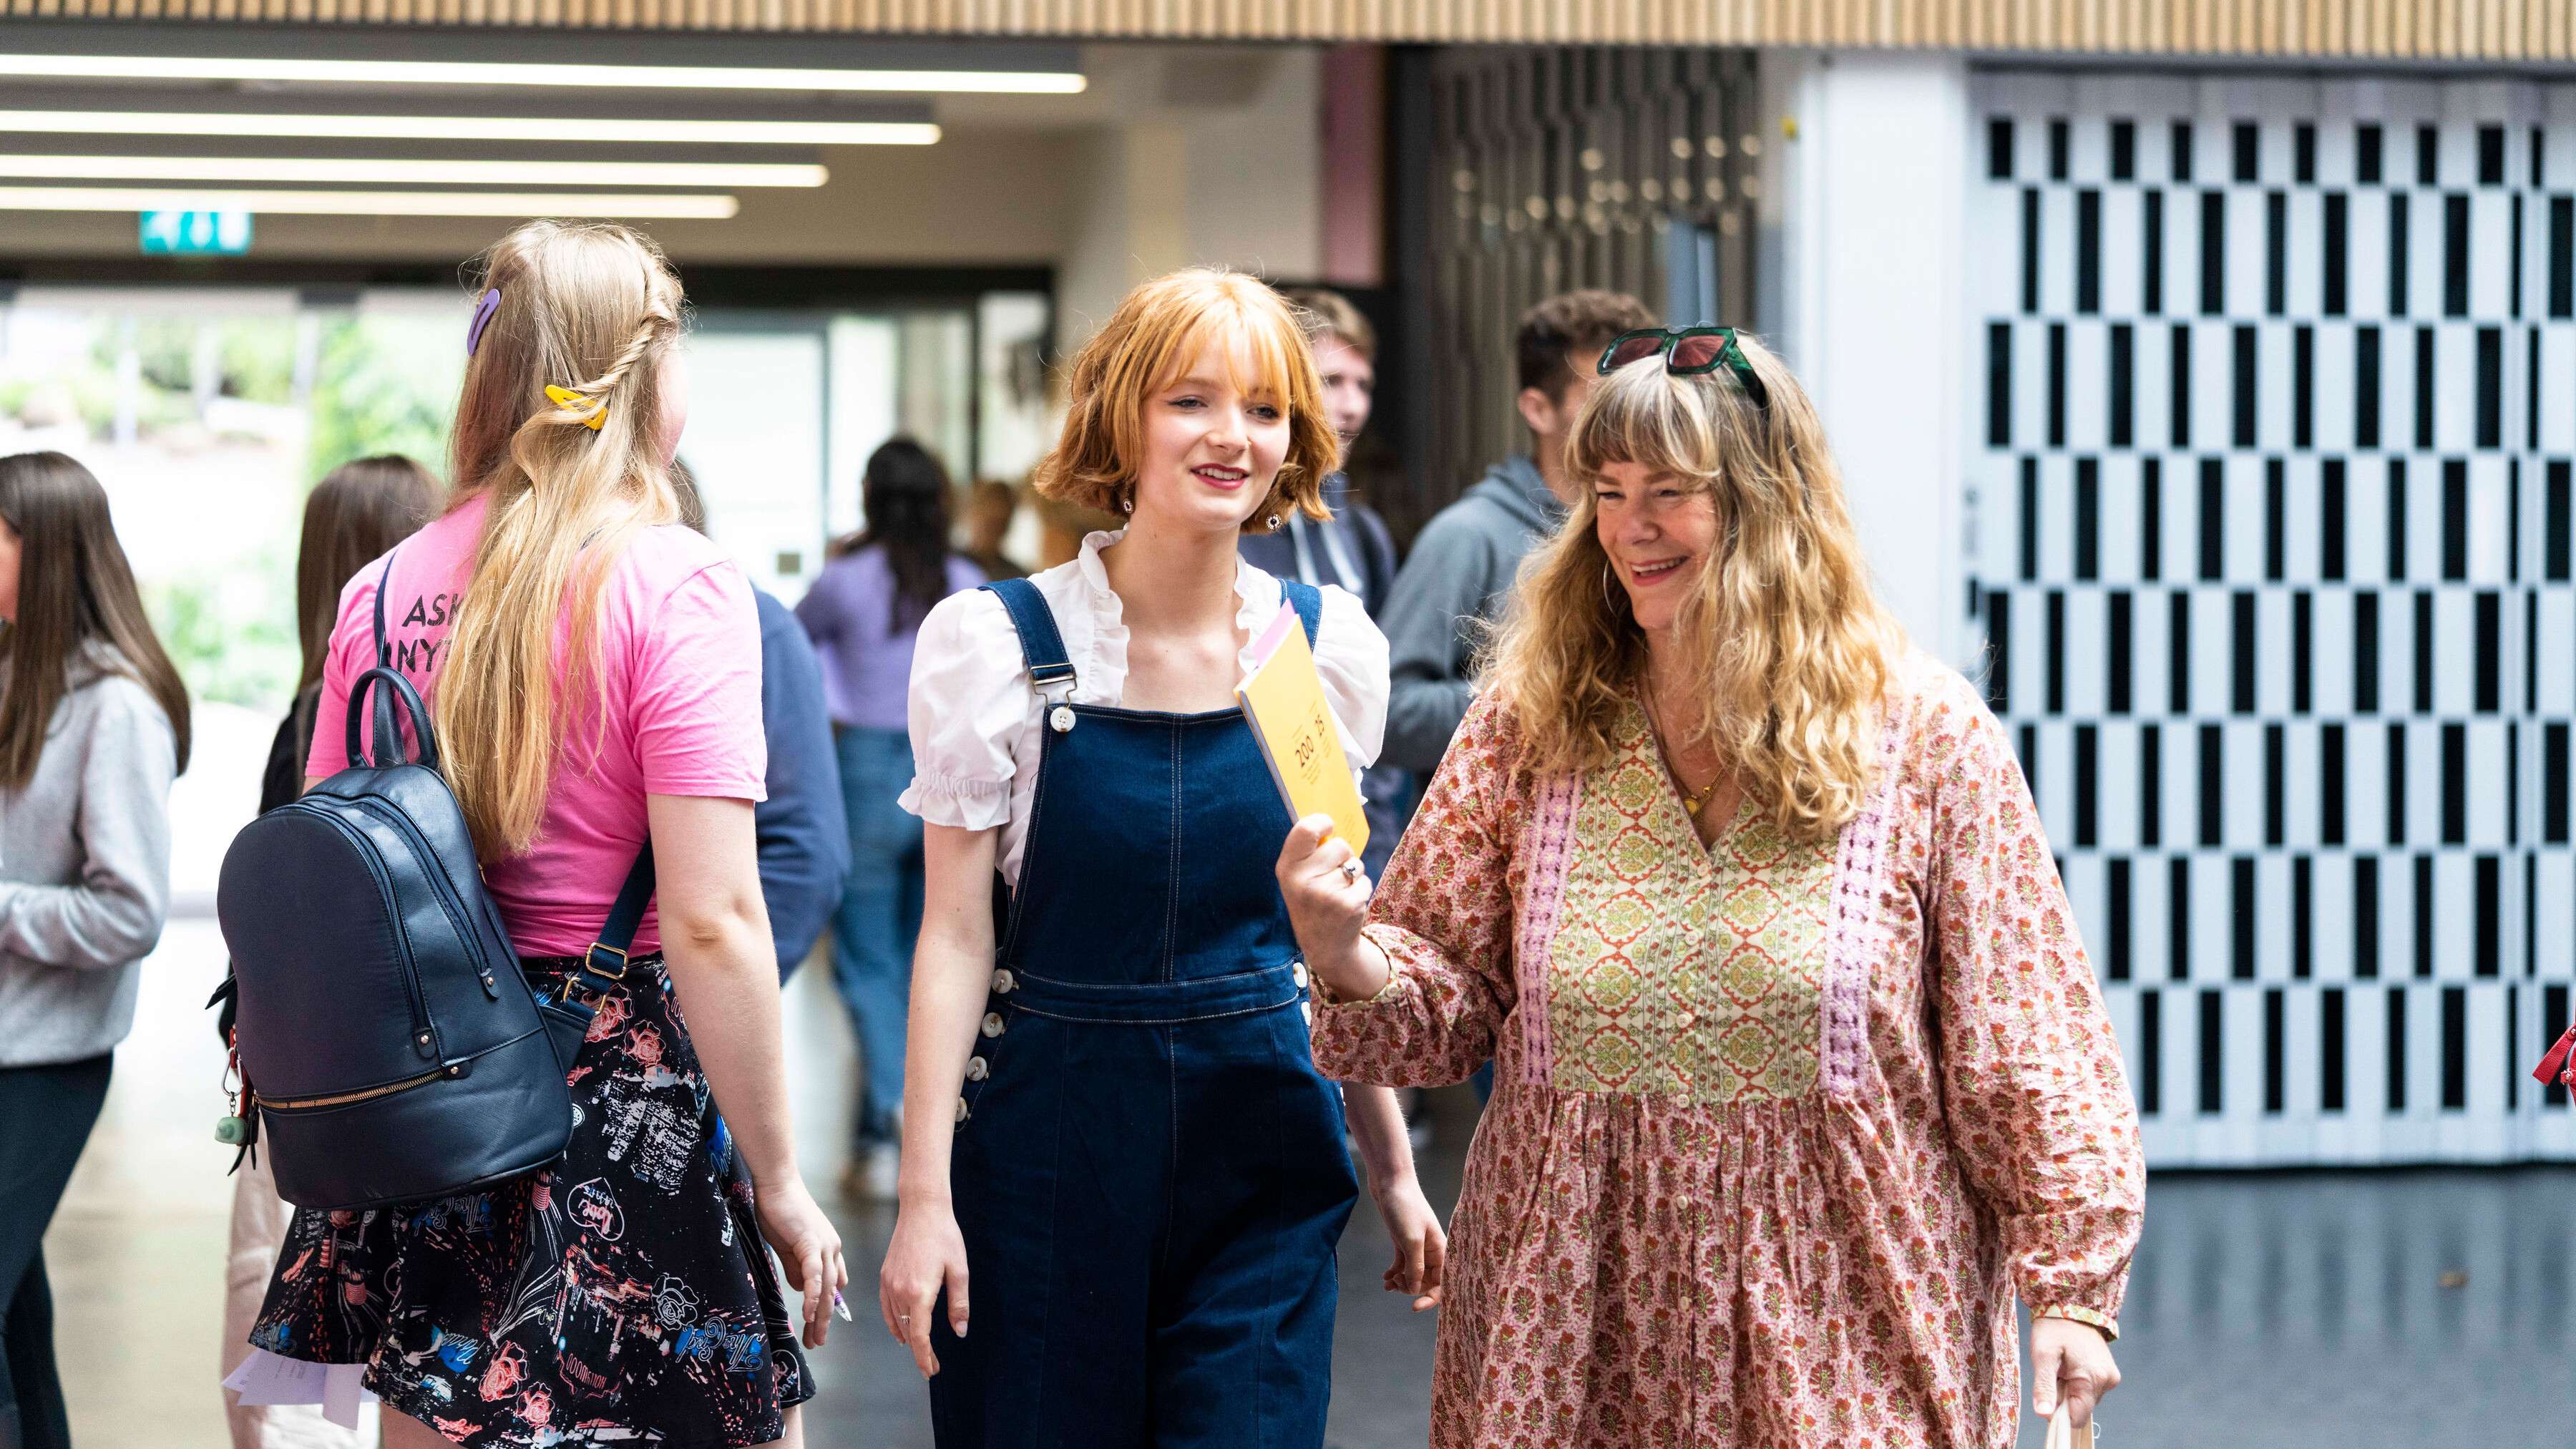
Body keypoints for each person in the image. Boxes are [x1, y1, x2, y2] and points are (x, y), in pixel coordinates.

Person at [1277, 328, 2142, 1446]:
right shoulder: (1530, 727)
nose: (1631, 527)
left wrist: (2073, 1290)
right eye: (1608, 490)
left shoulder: (1923, 736)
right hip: (1569, 1333)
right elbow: (1443, 1004)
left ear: (1768, 505)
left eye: (1673, 493)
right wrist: (1343, 948)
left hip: (1848, 1325)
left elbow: (2028, 1032)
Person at [239, 220, 845, 1449]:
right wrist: (780, 1178)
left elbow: (339, 880)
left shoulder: (388, 585)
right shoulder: (678, 584)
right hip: (619, 1093)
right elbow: (715, 917)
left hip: (427, 1093)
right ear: (644, 377)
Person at [876, 267, 1442, 1448]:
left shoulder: (1322, 652)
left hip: (1264, 1149)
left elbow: (1340, 921)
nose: (1233, 436)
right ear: (1123, 416)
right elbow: (954, 935)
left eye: (1267, 409)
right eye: (1192, 401)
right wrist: (923, 1198)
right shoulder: (1003, 649)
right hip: (1043, 1151)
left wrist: (1391, 1166)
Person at [223, 452, 436, 1449]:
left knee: (284, 1275)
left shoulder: (319, 714)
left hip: (322, 1063)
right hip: (450, 1052)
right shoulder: (462, 713)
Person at [0, 451, 187, 1449]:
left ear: (45, 548)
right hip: (4, 1046)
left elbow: (130, 913)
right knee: (16, 1316)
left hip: (46, 1062)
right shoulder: (17, 676)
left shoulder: (115, 705)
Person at [794, 439, 985, 1201]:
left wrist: (831, 704)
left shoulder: (843, 582)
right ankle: (883, 1142)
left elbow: (784, 645)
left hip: (867, 776)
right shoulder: (969, 583)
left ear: (871, 498)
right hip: (952, 777)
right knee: (925, 963)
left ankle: (899, 1108)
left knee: (866, 965)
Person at [1375, 289, 1655, 779]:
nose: (1630, 416)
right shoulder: (1465, 535)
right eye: (1605, 397)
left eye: (1640, 395)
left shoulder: (1653, 532)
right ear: (1538, 409)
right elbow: (1389, 713)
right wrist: (1541, 694)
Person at [669, 459, 847, 982]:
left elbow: (808, 854)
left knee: (874, 962)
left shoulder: (755, 624)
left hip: (673, 999)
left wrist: (714, 1003)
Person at [960, 479, 1028, 581]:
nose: (991, 532)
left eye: (999, 523)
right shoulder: (952, 567)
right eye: (988, 522)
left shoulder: (1017, 578)